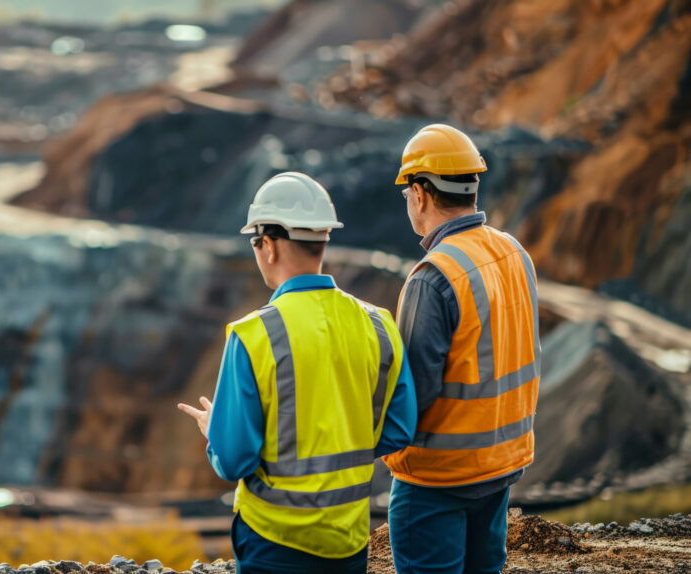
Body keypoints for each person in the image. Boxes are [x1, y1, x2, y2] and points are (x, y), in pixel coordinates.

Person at [178, 172, 417, 574]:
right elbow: (398, 431)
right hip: (348, 539)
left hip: (275, 543)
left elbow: (234, 460)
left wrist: (214, 429)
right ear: (323, 239)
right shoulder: (380, 326)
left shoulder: (254, 335)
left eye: (255, 242)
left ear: (268, 245)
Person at [384, 124, 541, 574]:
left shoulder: (432, 277)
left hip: (436, 478)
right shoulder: (513, 253)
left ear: (419, 193)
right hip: (498, 465)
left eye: (407, 194)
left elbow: (411, 394)